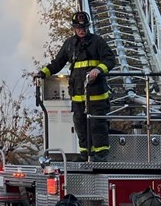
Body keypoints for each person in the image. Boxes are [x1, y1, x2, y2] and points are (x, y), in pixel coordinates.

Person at [35, 11, 117, 161]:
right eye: (78, 27)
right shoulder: (69, 44)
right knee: (80, 125)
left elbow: (110, 59)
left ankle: (101, 155)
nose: (82, 30)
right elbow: (58, 63)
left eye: (84, 27)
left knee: (97, 125)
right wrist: (43, 73)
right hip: (78, 96)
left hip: (96, 95)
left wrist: (98, 69)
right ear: (73, 27)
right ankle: (85, 154)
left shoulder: (97, 42)